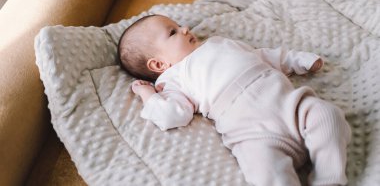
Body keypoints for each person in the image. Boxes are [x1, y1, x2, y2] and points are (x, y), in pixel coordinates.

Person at [118, 14, 351, 186]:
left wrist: (297, 59)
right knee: (265, 172)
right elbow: (171, 114)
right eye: (173, 32)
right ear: (159, 65)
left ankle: (329, 177)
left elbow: (263, 55)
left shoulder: (219, 43)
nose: (185, 28)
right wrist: (146, 94)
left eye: (179, 26)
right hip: (252, 134)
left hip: (293, 107)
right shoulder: (173, 80)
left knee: (328, 115)